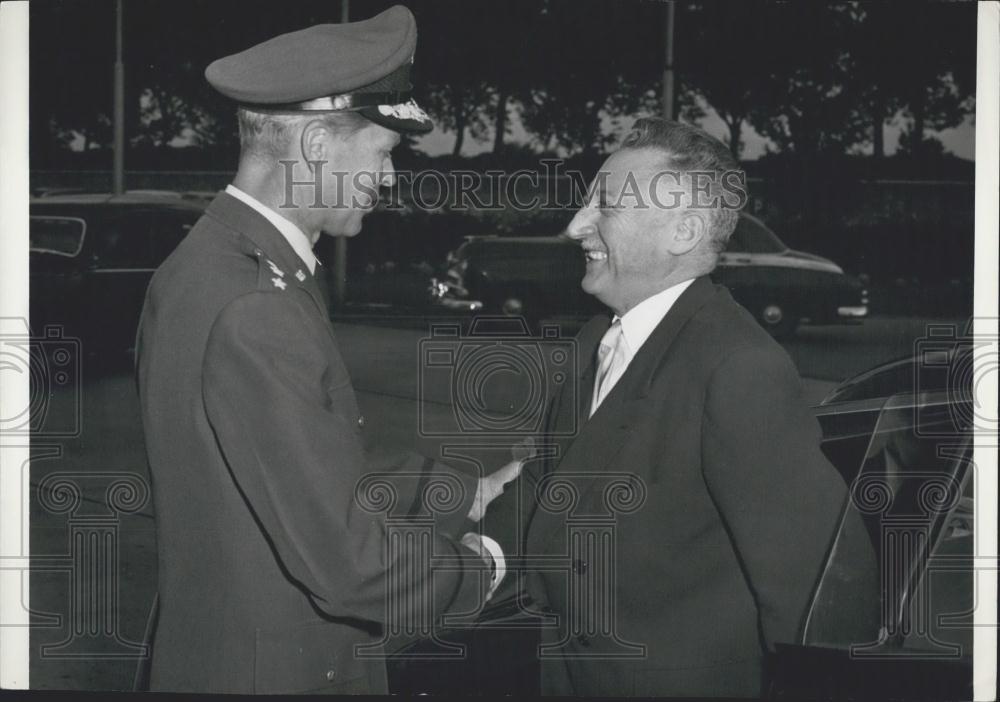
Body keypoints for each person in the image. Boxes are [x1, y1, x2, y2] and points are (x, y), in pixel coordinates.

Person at [136, 6, 517, 694]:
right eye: (382, 151)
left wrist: (465, 494)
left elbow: (295, 458)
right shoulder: (256, 302)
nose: (390, 177)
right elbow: (347, 564)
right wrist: (482, 567)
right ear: (316, 143)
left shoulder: (215, 263)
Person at [484, 118, 876, 696]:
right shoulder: (596, 339)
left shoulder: (738, 367)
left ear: (684, 231)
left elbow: (818, 592)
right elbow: (548, 484)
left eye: (606, 206)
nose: (575, 226)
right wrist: (474, 559)